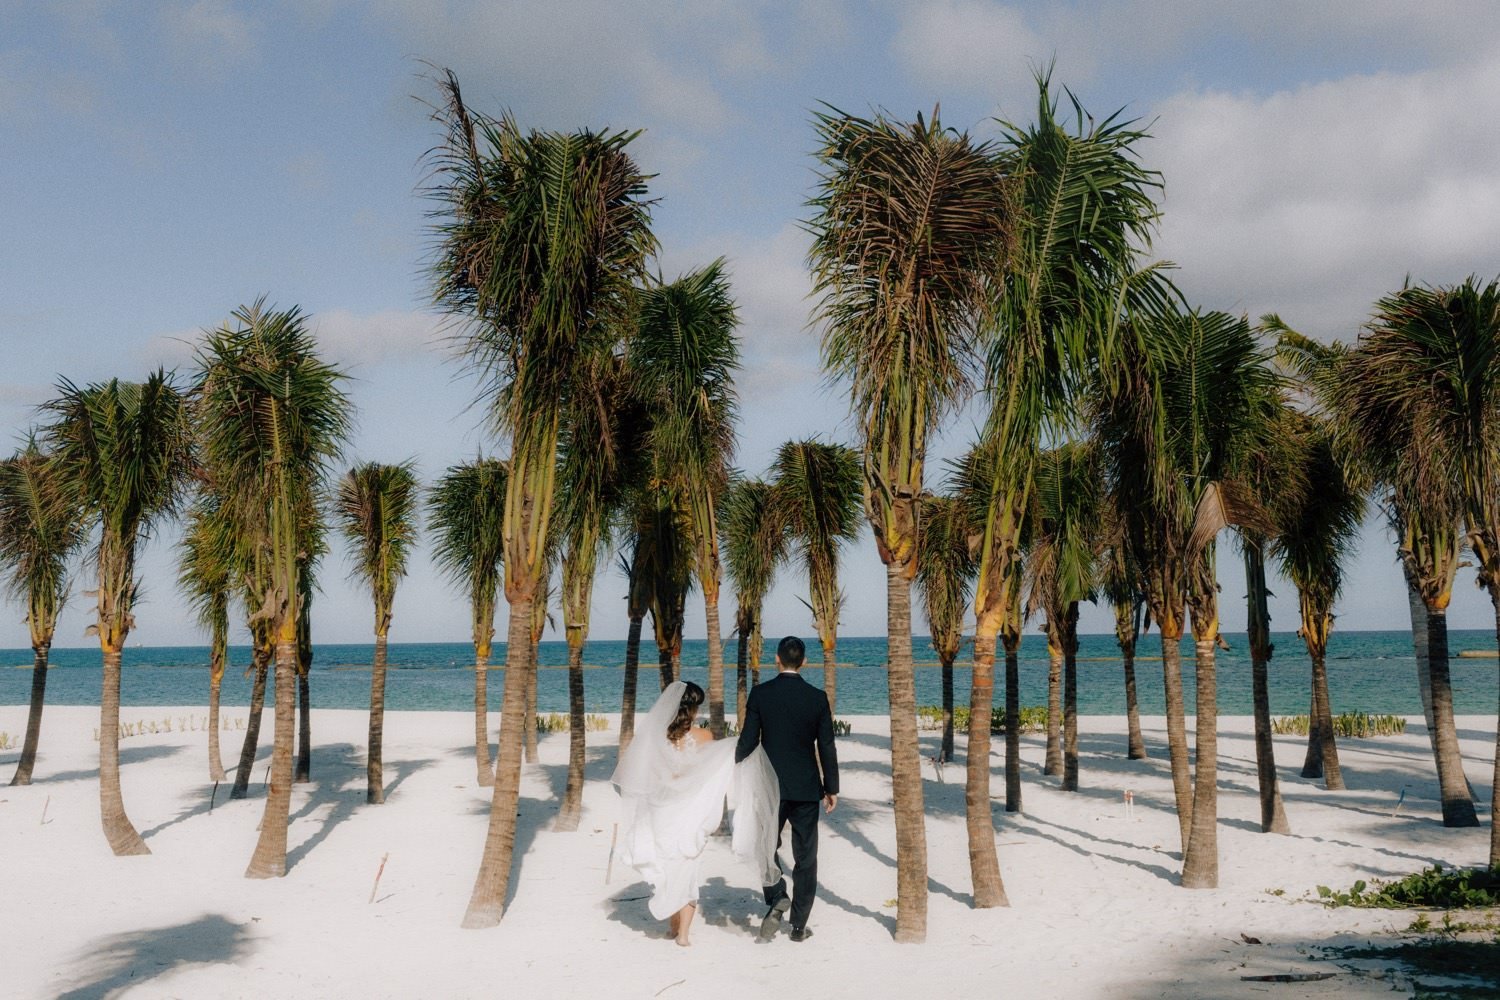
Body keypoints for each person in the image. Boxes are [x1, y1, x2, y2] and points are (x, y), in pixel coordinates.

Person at [611, 680, 779, 947]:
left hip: (661, 811)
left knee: (668, 868)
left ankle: (672, 928)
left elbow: (647, 776)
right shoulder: (704, 737)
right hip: (688, 813)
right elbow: (711, 771)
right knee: (687, 867)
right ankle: (684, 935)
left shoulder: (655, 738)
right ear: (691, 709)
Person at [734, 635, 839, 943]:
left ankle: (777, 895)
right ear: (804, 662)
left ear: (776, 659)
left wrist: (735, 767)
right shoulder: (817, 697)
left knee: (766, 846)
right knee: (806, 857)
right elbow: (827, 745)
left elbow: (748, 740)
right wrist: (831, 787)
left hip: (769, 785)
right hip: (806, 787)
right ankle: (798, 925)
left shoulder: (761, 694)